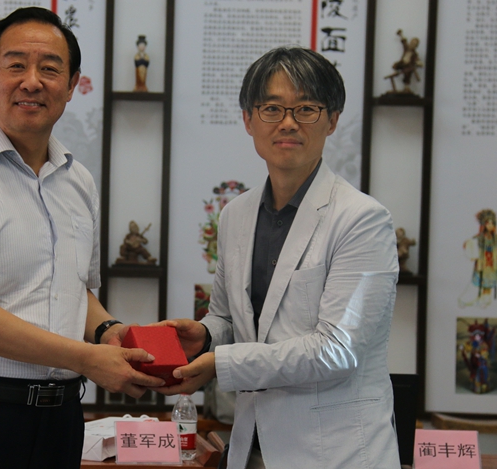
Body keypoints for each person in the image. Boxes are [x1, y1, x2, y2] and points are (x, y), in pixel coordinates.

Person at [0, 7, 164, 469]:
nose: (32, 82)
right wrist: (87, 358)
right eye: (16, 65)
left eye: (50, 69)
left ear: (73, 84)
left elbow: (72, 289)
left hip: (58, 418)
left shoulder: (78, 181)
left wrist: (108, 331)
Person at [155, 47, 401, 469]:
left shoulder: (362, 219)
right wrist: (206, 336)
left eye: (306, 108)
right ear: (248, 120)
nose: (288, 122)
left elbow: (336, 350)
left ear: (332, 119)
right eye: (271, 108)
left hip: (335, 455)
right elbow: (229, 317)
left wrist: (221, 363)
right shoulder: (235, 215)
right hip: (250, 447)